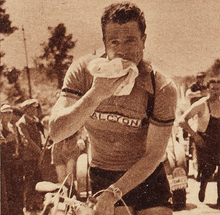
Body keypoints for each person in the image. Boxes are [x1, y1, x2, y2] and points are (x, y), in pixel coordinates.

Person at [50, 2, 177, 215]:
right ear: (104, 43)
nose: (122, 52)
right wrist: (96, 94)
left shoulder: (161, 87)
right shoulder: (84, 72)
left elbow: (155, 153)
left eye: (130, 41)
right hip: (103, 171)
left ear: (143, 41)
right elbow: (56, 132)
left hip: (147, 174)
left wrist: (114, 192)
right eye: (114, 42)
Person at [178, 78, 220, 209]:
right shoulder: (202, 104)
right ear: (207, 90)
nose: (215, 92)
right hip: (205, 141)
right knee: (208, 170)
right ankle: (203, 184)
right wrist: (195, 136)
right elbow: (182, 120)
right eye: (212, 89)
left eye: (218, 89)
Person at [16, 99, 43, 212]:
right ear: (27, 109)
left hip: (35, 156)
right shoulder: (22, 123)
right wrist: (39, 151)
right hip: (28, 157)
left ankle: (36, 204)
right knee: (29, 181)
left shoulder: (33, 121)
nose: (35, 110)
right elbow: (27, 140)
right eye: (32, 108)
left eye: (35, 107)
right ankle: (28, 205)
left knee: (37, 180)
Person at [0, 104, 23, 215]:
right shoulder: (0, 128)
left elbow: (17, 142)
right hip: (4, 162)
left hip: (14, 161)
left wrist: (17, 150)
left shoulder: (13, 127)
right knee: (7, 188)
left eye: (10, 113)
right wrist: (7, 140)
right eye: (6, 113)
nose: (9, 115)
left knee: (16, 187)